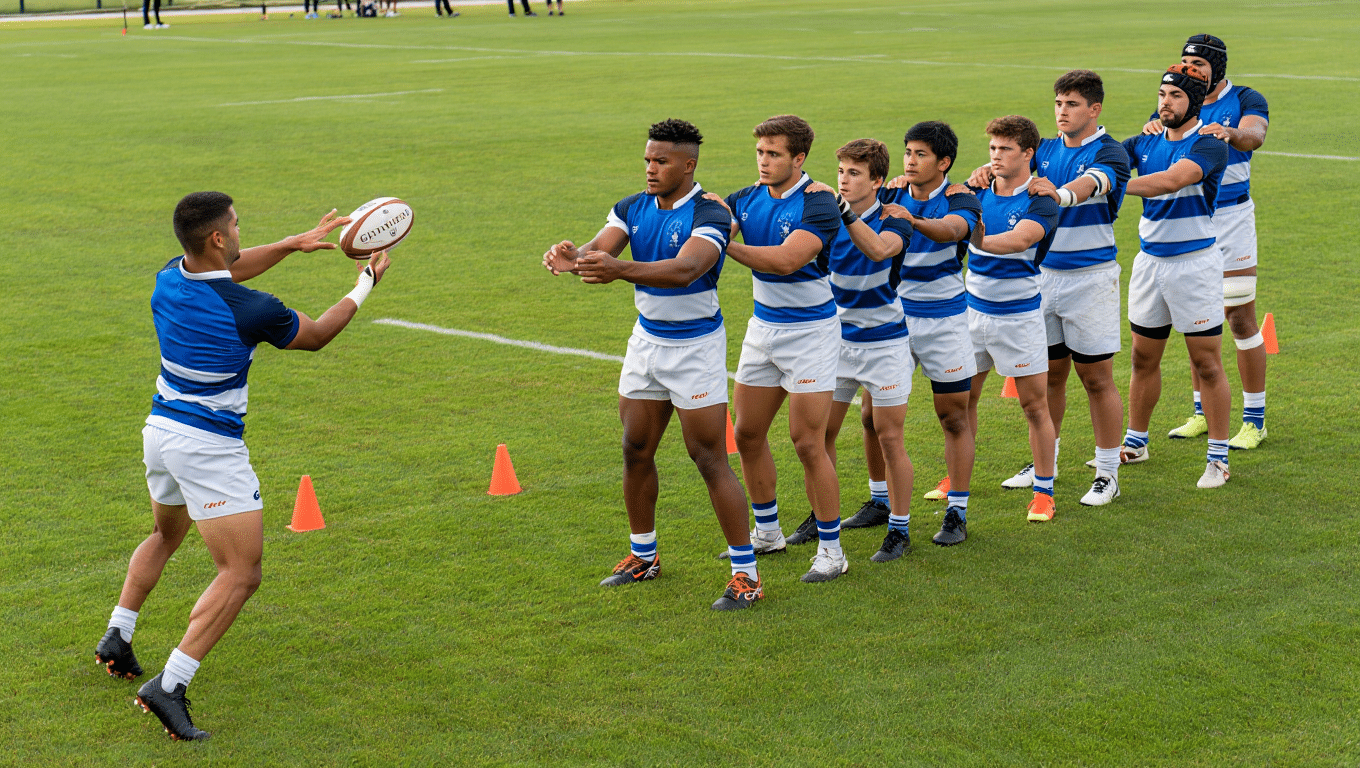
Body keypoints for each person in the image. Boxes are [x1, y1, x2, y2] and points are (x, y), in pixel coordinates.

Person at [93, 193, 392, 741]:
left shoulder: (168, 276)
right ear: (217, 238)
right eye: (235, 226)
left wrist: (290, 245)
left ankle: (118, 634)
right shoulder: (252, 309)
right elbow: (318, 334)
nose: (239, 232)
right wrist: (366, 282)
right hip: (208, 448)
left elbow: (227, 267)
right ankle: (170, 684)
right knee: (241, 572)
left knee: (164, 534)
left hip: (159, 432)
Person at [541, 119, 761, 611]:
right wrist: (572, 256)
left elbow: (686, 270)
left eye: (661, 161)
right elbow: (599, 254)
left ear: (689, 164)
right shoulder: (631, 207)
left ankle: (746, 573)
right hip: (646, 344)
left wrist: (615, 269)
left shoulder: (711, 213)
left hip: (696, 349)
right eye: (647, 160)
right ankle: (644, 556)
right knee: (634, 448)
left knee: (708, 457)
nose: (651, 169)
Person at [970, 71, 1131, 507]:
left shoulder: (1111, 152)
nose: (1062, 111)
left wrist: (1058, 194)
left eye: (1072, 104)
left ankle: (1108, 472)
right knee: (1050, 377)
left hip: (1090, 279)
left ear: (1094, 109)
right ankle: (1047, 462)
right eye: (1058, 103)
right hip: (1043, 280)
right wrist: (989, 171)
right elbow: (1015, 177)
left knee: (1097, 379)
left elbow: (1093, 184)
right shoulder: (1044, 151)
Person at [710, 115, 847, 584]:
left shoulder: (820, 203)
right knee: (746, 433)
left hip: (811, 334)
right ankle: (767, 532)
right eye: (760, 153)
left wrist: (727, 246)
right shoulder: (743, 200)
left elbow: (789, 260)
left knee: (807, 442)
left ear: (799, 159)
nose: (764, 162)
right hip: (762, 329)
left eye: (774, 155)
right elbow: (701, 220)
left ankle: (832, 550)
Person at [1149, 36, 1271, 450]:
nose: (1191, 68)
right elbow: (1156, 147)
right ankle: (1201, 413)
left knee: (1239, 316)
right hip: (1192, 219)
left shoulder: (1245, 97)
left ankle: (1255, 419)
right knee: (1197, 318)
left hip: (1233, 218)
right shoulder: (1177, 99)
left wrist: (1232, 133)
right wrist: (1150, 132)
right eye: (1185, 60)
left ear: (1216, 66)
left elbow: (1255, 135)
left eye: (1198, 62)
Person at [1121, 65, 1232, 488]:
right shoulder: (1144, 140)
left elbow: (1170, 181)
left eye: (1175, 96)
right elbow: (1102, 155)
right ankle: (1135, 442)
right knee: (1141, 358)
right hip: (1149, 264)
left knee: (1206, 362)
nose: (1165, 102)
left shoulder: (1209, 146)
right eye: (1162, 94)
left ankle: (1219, 458)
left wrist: (1112, 183)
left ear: (1196, 103)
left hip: (1195, 266)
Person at [806, 139, 916, 563]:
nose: (845, 181)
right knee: (818, 437)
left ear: (878, 181)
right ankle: (821, 518)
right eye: (841, 173)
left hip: (885, 344)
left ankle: (899, 529)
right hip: (835, 342)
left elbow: (880, 250)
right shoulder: (827, 219)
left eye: (854, 173)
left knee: (890, 436)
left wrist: (845, 215)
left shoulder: (895, 217)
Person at [876, 122, 982, 546]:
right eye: (907, 152)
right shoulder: (891, 193)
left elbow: (953, 231)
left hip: (945, 321)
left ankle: (956, 510)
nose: (910, 161)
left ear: (945, 162)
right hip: (893, 320)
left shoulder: (961, 198)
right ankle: (878, 500)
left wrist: (911, 219)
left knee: (953, 415)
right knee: (874, 418)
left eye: (921, 154)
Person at [964, 115, 1061, 522]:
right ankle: (956, 480)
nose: (996, 156)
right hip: (969, 313)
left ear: (1028, 153)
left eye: (1005, 149)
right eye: (992, 149)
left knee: (1034, 406)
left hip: (1018, 317)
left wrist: (970, 235)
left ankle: (1044, 492)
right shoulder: (976, 188)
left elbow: (1020, 239)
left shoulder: (1042, 198)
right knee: (960, 402)